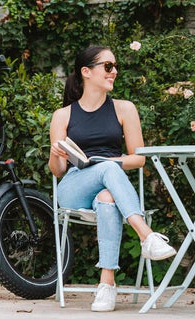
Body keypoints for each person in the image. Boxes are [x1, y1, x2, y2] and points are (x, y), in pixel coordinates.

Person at [48, 46, 177, 312]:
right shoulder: (63, 115)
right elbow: (58, 170)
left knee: (108, 196)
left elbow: (138, 159)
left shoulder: (124, 109)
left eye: (115, 66)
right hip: (74, 186)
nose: (114, 71)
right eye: (107, 66)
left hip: (109, 186)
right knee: (109, 169)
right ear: (86, 72)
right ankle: (146, 235)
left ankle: (106, 284)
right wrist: (55, 153)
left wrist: (108, 163)